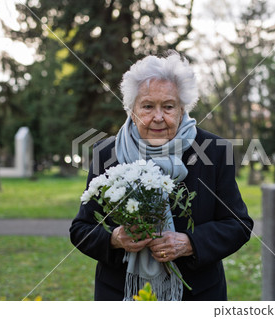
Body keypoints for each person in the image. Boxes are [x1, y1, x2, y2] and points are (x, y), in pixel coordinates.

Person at [69, 51, 254, 301]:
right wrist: (114, 239)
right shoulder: (107, 153)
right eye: (147, 106)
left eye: (168, 106)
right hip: (120, 292)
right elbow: (81, 229)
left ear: (182, 109)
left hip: (196, 294)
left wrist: (190, 242)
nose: (158, 117)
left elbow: (238, 225)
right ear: (131, 109)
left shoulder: (214, 150)